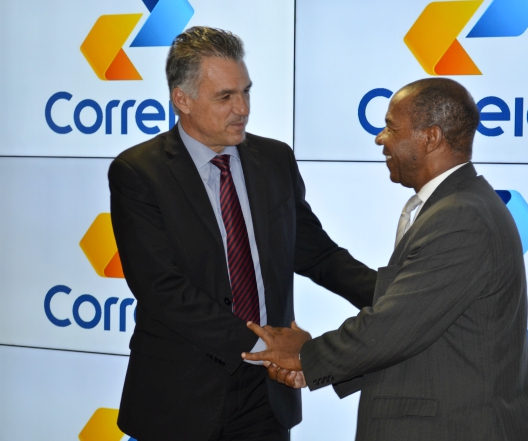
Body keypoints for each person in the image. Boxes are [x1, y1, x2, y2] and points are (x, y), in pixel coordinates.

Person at [108, 26, 376, 441]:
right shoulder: (139, 172)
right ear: (182, 100)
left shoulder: (275, 159)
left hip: (267, 395)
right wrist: (269, 347)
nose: (243, 109)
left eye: (246, 92)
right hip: (181, 395)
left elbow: (317, 253)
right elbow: (161, 288)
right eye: (225, 97)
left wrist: (395, 299)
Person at [243, 78, 528, 440]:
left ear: (430, 138)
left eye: (391, 128)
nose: (380, 139)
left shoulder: (461, 215)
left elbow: (394, 327)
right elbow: (414, 320)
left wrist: (307, 356)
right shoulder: (461, 204)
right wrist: (315, 362)